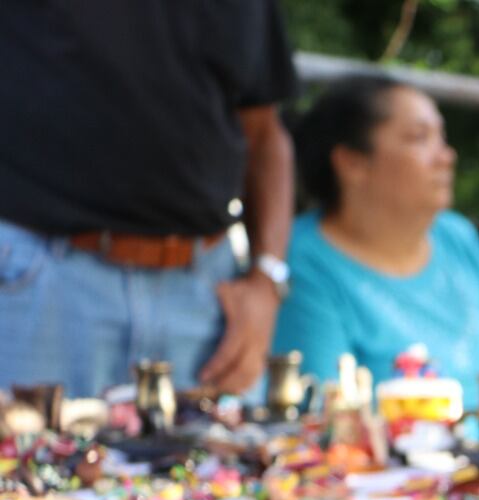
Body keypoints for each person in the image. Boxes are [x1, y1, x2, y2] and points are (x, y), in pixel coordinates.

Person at [0, 0, 296, 398]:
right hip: (41, 285)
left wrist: (266, 281)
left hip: (204, 296)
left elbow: (264, 135)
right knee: (23, 458)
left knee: (226, 460)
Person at [273, 76, 479, 411]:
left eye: (441, 137)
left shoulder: (457, 236)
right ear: (351, 162)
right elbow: (328, 422)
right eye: (420, 138)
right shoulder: (303, 260)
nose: (446, 156)